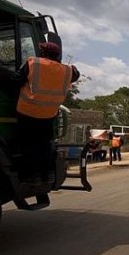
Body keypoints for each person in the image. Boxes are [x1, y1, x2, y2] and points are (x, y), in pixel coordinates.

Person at [16, 41, 79, 184]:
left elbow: (16, 80)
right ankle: (47, 175)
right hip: (48, 114)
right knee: (45, 145)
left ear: (42, 53)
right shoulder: (67, 71)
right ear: (58, 55)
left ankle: (31, 176)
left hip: (27, 112)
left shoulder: (33, 64)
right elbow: (76, 74)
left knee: (28, 145)